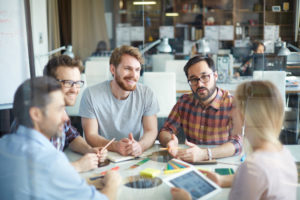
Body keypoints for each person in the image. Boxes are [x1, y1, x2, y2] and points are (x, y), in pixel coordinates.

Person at [171, 81, 298, 200]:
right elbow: (264, 178)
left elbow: (255, 174)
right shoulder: (283, 153)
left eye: (234, 106)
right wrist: (222, 180)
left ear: (249, 114)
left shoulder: (253, 167)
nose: (229, 113)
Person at [0, 77, 121, 200]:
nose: (66, 118)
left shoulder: (3, 146)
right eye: (59, 109)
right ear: (36, 114)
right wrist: (113, 182)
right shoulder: (52, 162)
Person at [79, 45, 160, 157]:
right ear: (113, 69)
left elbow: (151, 131)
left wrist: (140, 146)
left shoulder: (147, 94)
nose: (134, 75)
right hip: (103, 156)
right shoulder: (91, 95)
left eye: (137, 70)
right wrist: (115, 146)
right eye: (127, 69)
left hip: (133, 156)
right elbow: (90, 135)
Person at [159, 56, 242, 163]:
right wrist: (169, 141)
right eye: (193, 79)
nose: (200, 84)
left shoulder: (232, 104)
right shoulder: (184, 102)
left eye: (205, 77)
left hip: (222, 162)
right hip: (190, 162)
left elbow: (238, 143)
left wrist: (205, 154)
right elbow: (165, 130)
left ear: (215, 76)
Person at [43, 55, 106, 172]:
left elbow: (72, 137)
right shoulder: (39, 117)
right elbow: (39, 169)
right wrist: (78, 166)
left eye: (77, 83)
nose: (74, 89)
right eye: (68, 83)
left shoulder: (59, 108)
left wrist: (90, 150)